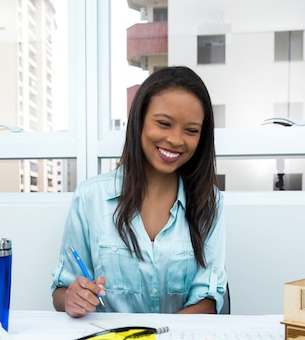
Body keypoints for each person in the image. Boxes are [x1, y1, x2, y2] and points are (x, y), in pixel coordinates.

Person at [51, 66, 227, 318]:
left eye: (191, 130)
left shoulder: (209, 203)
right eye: (164, 123)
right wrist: (73, 297)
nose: (177, 140)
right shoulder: (90, 198)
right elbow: (61, 292)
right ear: (138, 122)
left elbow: (208, 301)